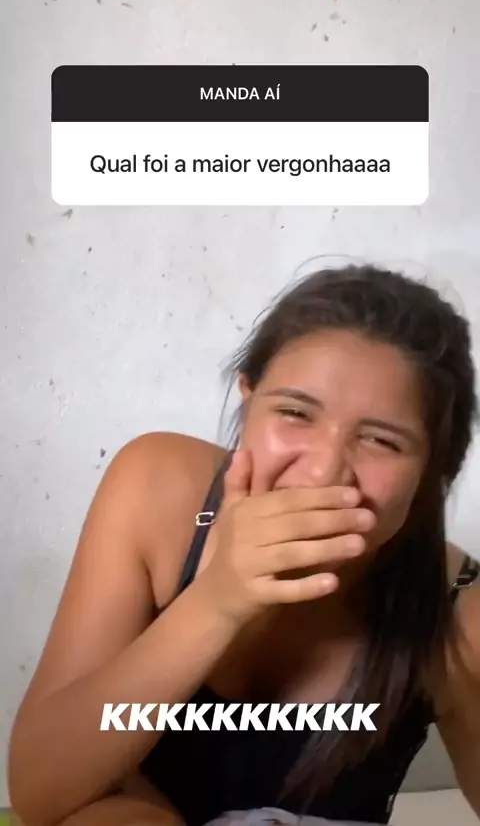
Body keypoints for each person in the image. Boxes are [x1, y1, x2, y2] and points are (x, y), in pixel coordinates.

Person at [8, 264, 480, 826]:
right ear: (247, 398)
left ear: (434, 471)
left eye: (381, 440)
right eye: (294, 413)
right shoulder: (158, 493)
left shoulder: (456, 614)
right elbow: (39, 791)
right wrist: (219, 600)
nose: (323, 472)